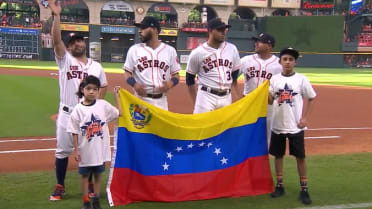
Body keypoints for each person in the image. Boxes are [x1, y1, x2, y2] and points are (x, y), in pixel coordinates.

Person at [47, 0, 108, 201]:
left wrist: (95, 106)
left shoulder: (96, 66)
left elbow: (104, 86)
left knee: (89, 151)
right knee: (63, 150)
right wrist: (56, 16)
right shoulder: (65, 60)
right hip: (67, 113)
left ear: (85, 43)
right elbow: (56, 42)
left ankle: (90, 185)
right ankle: (59, 185)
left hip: (87, 115)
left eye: (79, 41)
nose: (76, 43)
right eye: (72, 42)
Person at [268, 48, 316, 205]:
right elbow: (269, 100)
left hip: (296, 125)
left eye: (291, 59)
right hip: (277, 124)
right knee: (278, 155)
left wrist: (305, 117)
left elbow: (311, 97)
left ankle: (304, 188)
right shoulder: (274, 79)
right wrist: (264, 92)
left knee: (300, 157)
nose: (288, 62)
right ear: (280, 61)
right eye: (285, 59)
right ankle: (279, 185)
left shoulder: (301, 79)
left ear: (295, 62)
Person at [67, 76, 121, 209]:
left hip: (100, 149)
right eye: (88, 88)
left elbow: (119, 113)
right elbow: (73, 130)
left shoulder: (102, 105)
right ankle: (86, 201)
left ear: (98, 91)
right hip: (85, 149)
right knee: (85, 176)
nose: (92, 92)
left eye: (95, 89)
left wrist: (116, 96)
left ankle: (96, 199)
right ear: (82, 90)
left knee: (98, 174)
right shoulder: (78, 110)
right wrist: (76, 150)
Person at [123, 16, 181, 110]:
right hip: (141, 100)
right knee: (139, 124)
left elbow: (176, 75)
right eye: (140, 28)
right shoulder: (134, 50)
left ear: (154, 30)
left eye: (143, 28)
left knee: (161, 125)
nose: (140, 31)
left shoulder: (170, 51)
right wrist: (134, 84)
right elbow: (127, 73)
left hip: (161, 101)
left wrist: (170, 83)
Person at [186, 18, 241, 113]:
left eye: (224, 29)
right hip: (206, 96)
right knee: (202, 126)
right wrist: (197, 101)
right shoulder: (198, 53)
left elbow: (235, 74)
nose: (223, 32)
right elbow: (189, 79)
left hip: (226, 97)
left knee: (224, 127)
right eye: (219, 30)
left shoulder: (232, 49)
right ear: (210, 31)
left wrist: (236, 94)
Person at [240, 33, 282, 143]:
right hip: (248, 103)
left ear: (269, 46)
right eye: (256, 41)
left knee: (266, 138)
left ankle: (264, 159)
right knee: (246, 135)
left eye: (260, 41)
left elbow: (283, 86)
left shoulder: (279, 64)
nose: (256, 43)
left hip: (268, 105)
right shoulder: (245, 60)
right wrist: (237, 97)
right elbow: (230, 78)